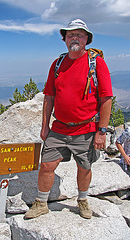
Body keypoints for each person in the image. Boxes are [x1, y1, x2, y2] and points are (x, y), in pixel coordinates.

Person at [25, 19, 113, 220]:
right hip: (60, 128)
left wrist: (102, 131)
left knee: (84, 167)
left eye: (79, 34)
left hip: (87, 128)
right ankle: (41, 203)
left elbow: (106, 98)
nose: (75, 37)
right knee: (47, 165)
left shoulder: (96, 62)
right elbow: (49, 97)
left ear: (86, 40)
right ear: (64, 39)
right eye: (71, 34)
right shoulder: (57, 64)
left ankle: (82, 200)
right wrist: (45, 126)